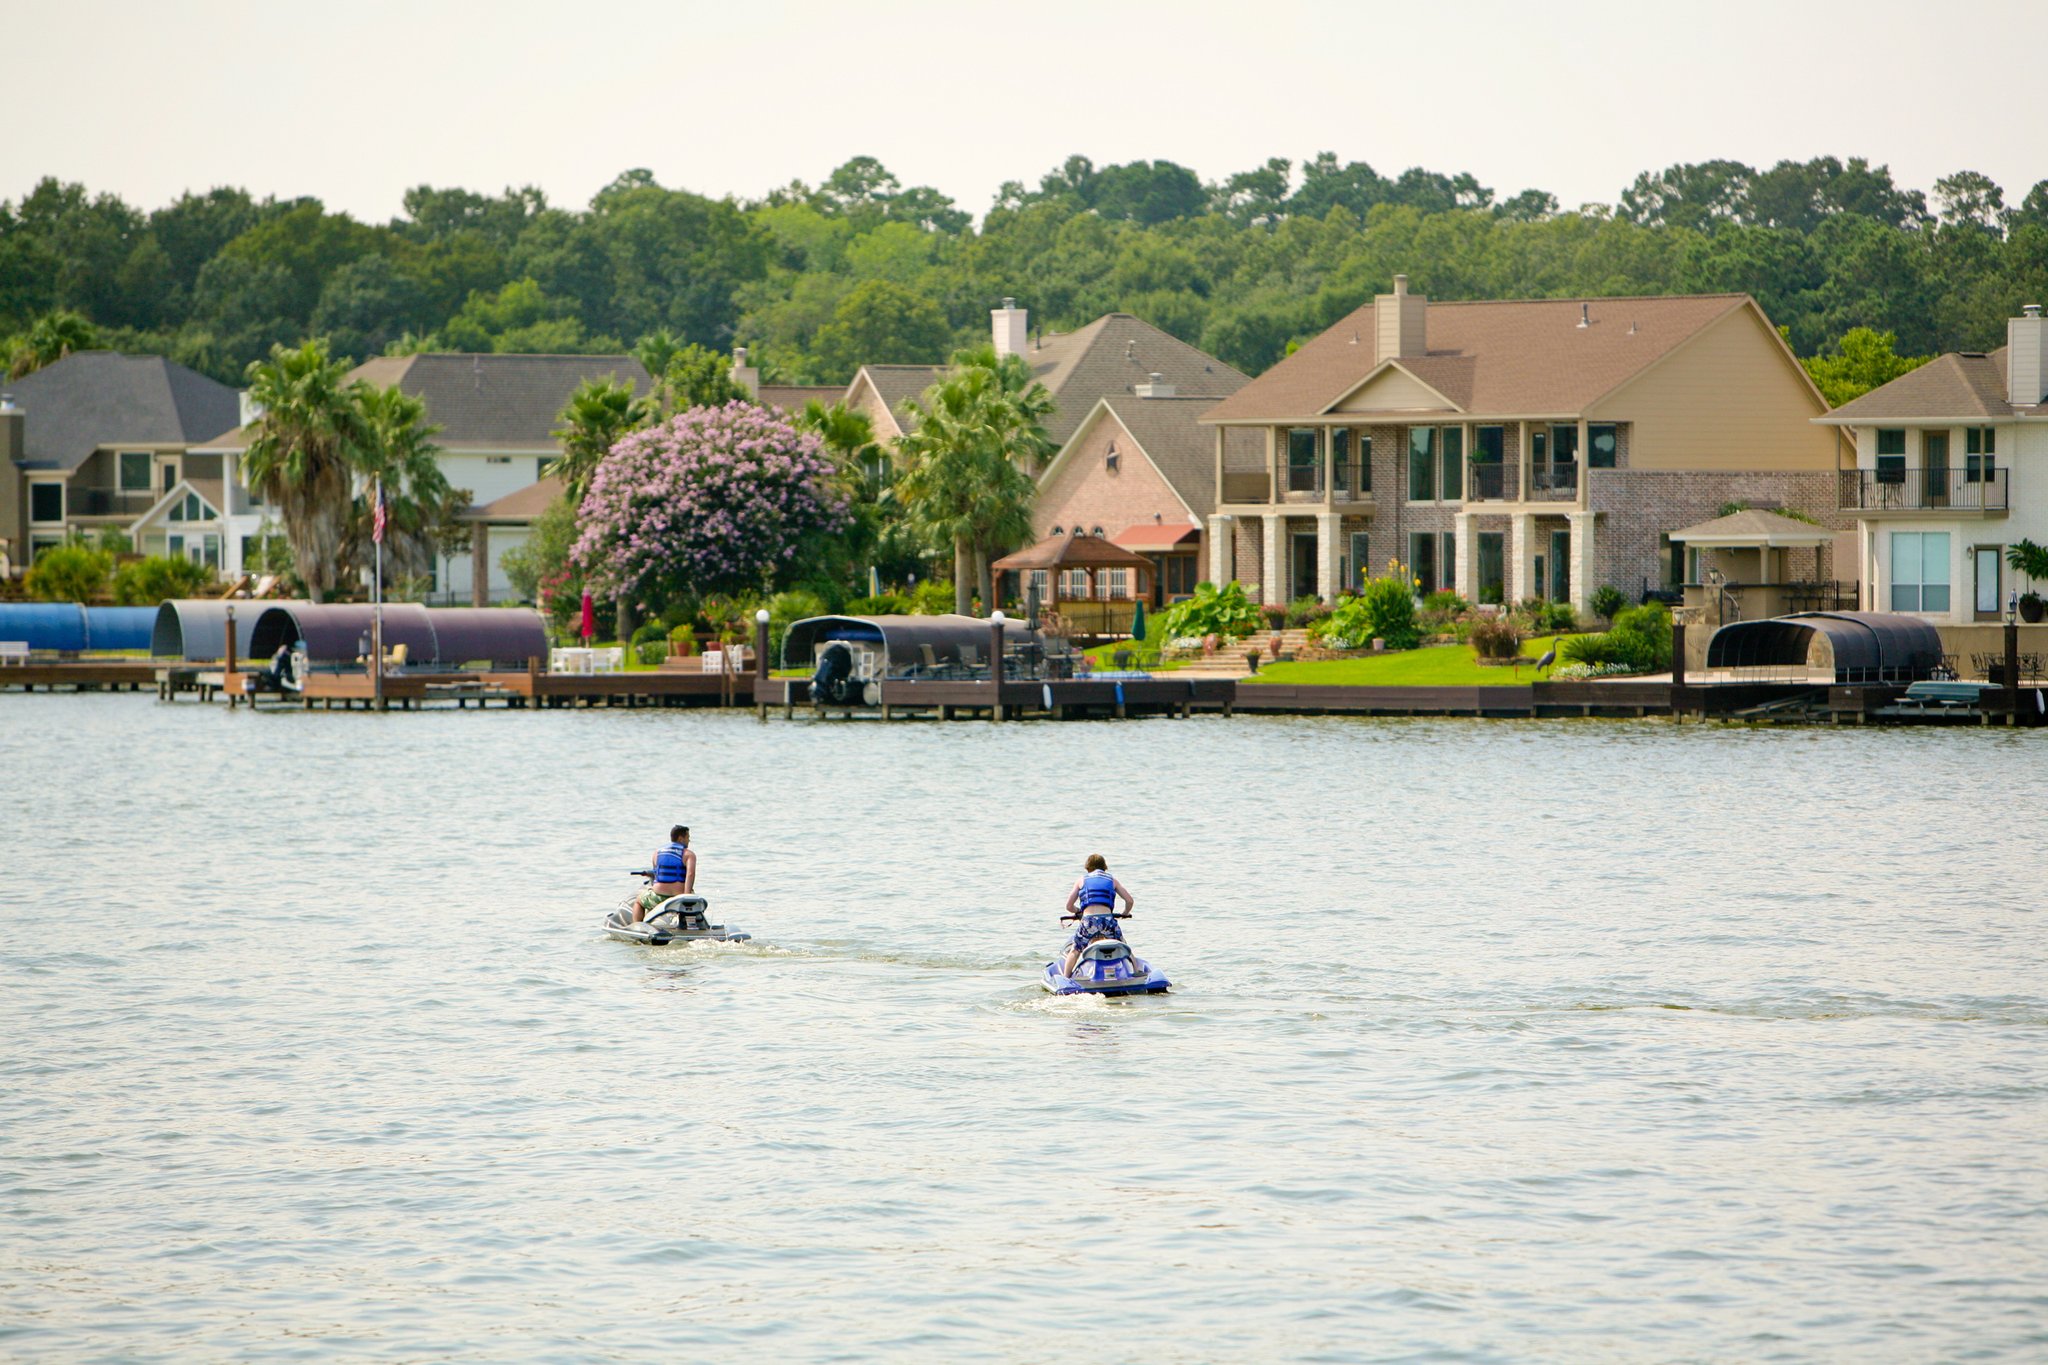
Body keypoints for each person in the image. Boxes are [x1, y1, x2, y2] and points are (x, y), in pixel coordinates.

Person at [1062, 853, 1133, 977]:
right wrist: (1125, 913)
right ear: (1104, 867)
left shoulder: (1081, 880)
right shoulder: (1112, 880)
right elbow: (1129, 901)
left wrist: (1078, 911)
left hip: (1088, 921)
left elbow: (1069, 906)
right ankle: (1136, 971)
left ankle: (1065, 977)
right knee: (1123, 945)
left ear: (1088, 868)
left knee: (1075, 950)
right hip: (1107, 921)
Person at [634, 824, 696, 921]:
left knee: (638, 901)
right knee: (694, 902)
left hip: (659, 896)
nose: (689, 840)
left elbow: (657, 874)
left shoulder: (657, 852)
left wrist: (649, 874)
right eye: (688, 837)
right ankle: (690, 924)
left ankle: (637, 927)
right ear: (680, 838)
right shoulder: (689, 854)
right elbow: (690, 874)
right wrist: (686, 896)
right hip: (678, 896)